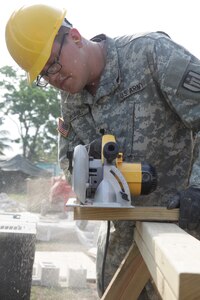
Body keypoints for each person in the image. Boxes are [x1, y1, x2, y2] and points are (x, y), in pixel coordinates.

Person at [5, 4, 200, 299]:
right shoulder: (70, 98)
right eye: (44, 75)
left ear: (74, 37)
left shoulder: (152, 55)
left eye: (53, 64)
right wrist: (86, 161)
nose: (54, 78)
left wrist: (198, 189)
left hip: (180, 241)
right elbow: (68, 162)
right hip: (118, 249)